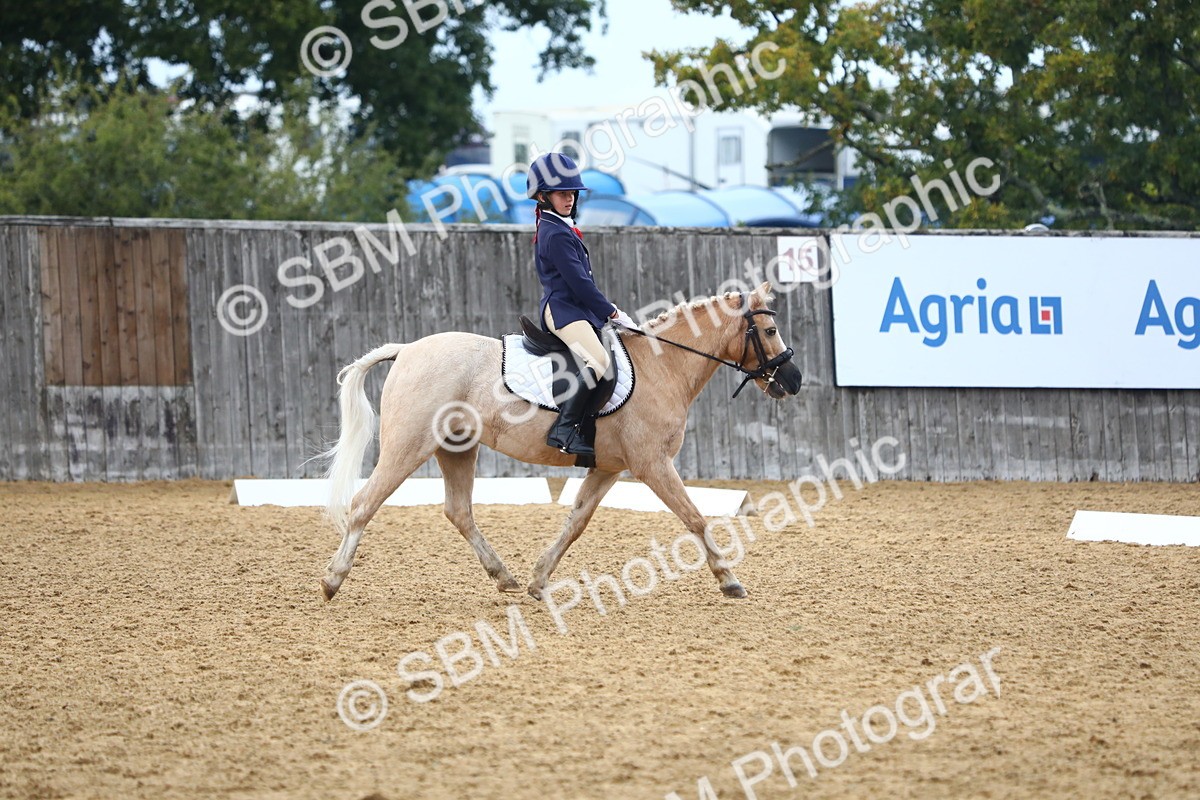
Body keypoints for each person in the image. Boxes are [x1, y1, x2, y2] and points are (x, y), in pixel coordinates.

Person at [526, 152, 637, 460]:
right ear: (542, 196)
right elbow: (580, 284)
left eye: (572, 193)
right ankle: (563, 429)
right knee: (599, 361)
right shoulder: (555, 232)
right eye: (562, 193)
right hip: (563, 311)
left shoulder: (560, 227)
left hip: (576, 310)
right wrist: (612, 312)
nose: (570, 198)